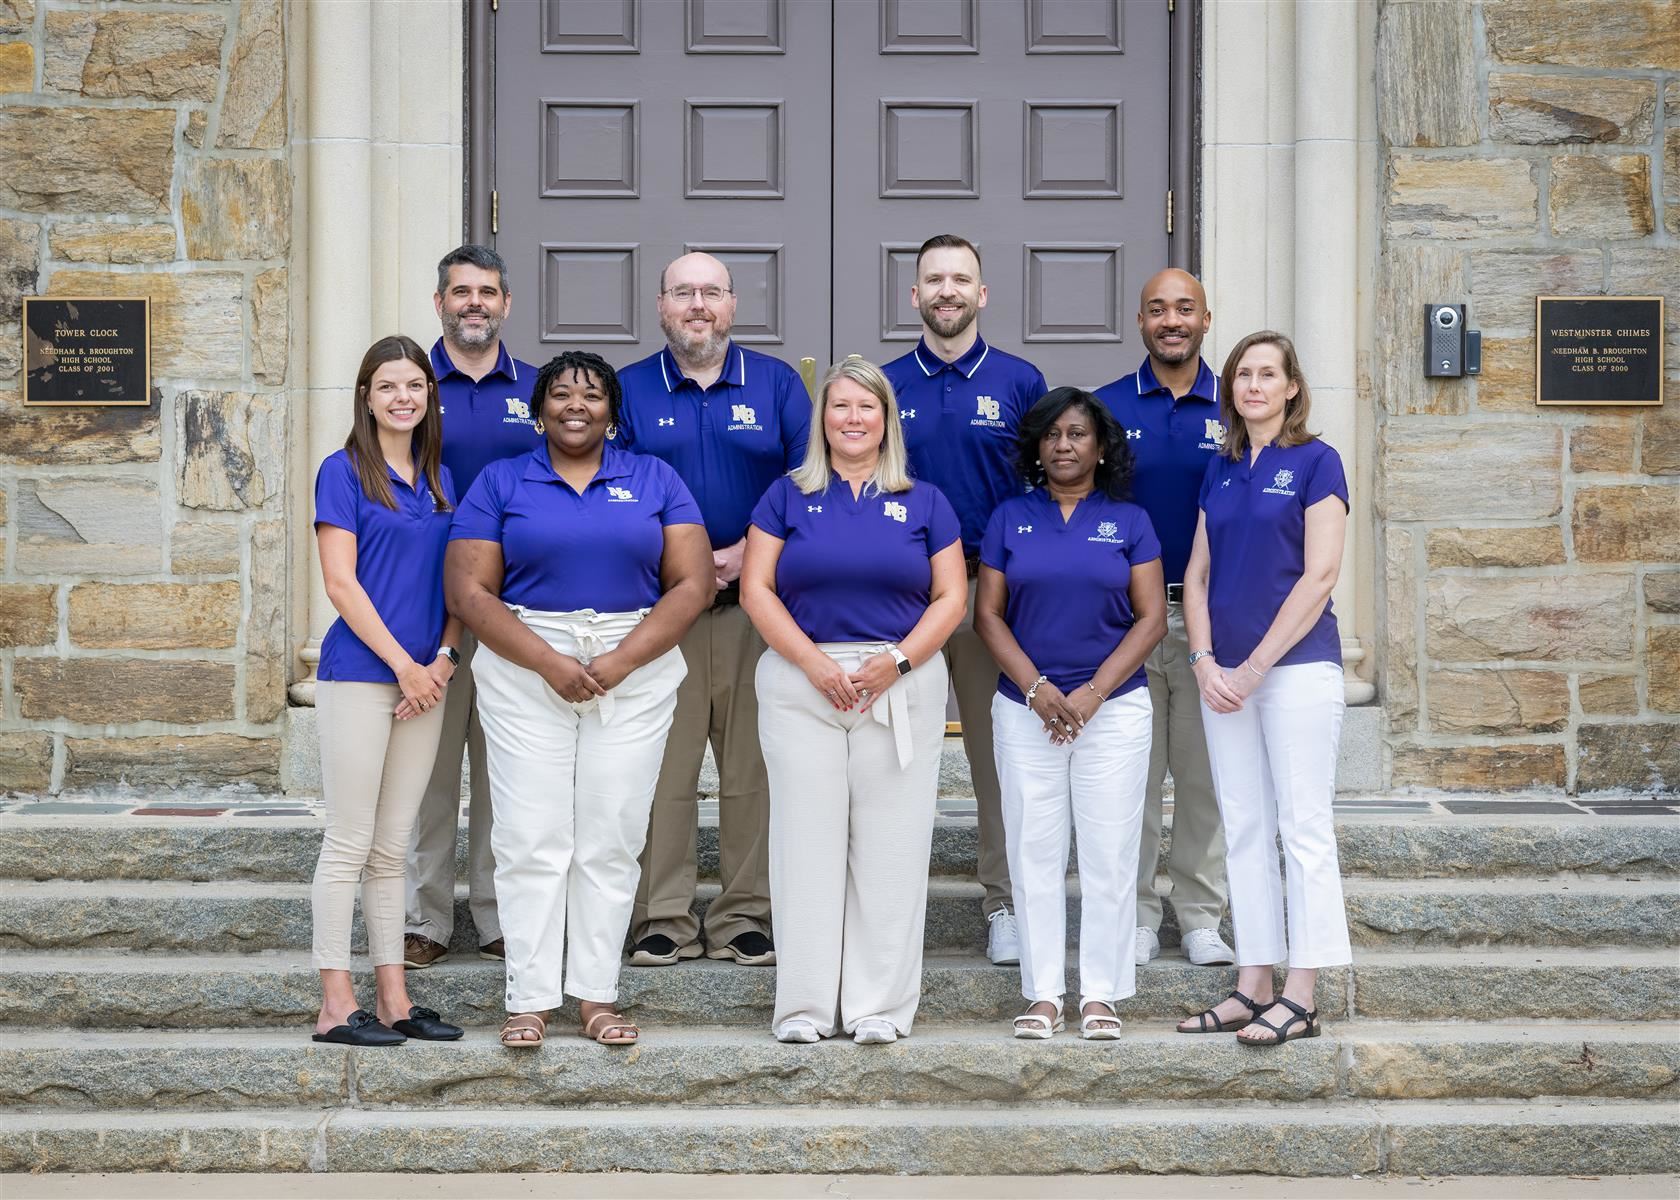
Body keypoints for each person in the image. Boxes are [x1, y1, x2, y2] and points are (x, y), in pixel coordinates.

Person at [445, 351, 714, 1047]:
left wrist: (621, 660)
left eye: (592, 395)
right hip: (525, 662)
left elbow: (692, 583)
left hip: (635, 663)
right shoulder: (503, 480)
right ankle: (529, 999)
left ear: (612, 413)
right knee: (532, 836)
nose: (576, 405)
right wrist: (549, 662)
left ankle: (596, 996)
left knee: (612, 836)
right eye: (560, 394)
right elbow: (469, 591)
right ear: (538, 412)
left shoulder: (655, 478)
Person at [741, 358, 966, 1045]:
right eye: (839, 407)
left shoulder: (925, 500)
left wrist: (896, 661)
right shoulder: (786, 496)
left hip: (898, 679)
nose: (853, 419)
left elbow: (952, 596)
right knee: (804, 844)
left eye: (866, 408)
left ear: (887, 419)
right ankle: (805, 1008)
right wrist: (811, 662)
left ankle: (878, 1007)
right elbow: (757, 590)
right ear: (823, 419)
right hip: (802, 678)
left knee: (891, 847)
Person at [618, 251, 811, 969]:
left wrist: (739, 558)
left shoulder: (778, 385)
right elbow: (618, 488)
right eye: (682, 293)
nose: (697, 305)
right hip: (660, 614)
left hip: (755, 612)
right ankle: (663, 913)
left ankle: (742, 914)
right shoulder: (629, 390)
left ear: (733, 304)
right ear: (661, 305)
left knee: (751, 767)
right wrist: (690, 568)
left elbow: (806, 486)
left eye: (711, 293)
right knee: (663, 770)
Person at [975, 388, 1166, 1040]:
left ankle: (1103, 994)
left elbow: (1152, 619)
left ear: (1101, 446)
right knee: (1034, 850)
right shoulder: (1008, 519)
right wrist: (1036, 689)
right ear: (1035, 446)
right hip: (1026, 710)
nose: (1064, 445)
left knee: (1110, 852)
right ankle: (1045, 994)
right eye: (1052, 435)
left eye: (1078, 434)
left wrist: (1092, 694)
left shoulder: (1131, 521)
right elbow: (987, 617)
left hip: (1112, 712)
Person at [1178, 330, 1352, 1047]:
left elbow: (1320, 577)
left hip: (1298, 672)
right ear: (1231, 390)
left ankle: (1302, 993)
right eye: (1243, 374)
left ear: (1291, 388)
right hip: (1224, 680)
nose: (1253, 384)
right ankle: (1253, 983)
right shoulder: (1220, 470)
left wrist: (1253, 668)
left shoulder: (1317, 462)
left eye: (1267, 374)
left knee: (1301, 828)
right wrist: (1204, 660)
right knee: (1243, 827)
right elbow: (1196, 576)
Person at [882, 234, 1047, 967]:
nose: (947, 291)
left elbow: (1047, 489)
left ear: (982, 295)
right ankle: (885, 906)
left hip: (988, 592)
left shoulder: (1019, 382)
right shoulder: (884, 385)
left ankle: (1004, 901)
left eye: (962, 280)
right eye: (933, 280)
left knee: (997, 757)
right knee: (892, 758)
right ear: (913, 297)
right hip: (903, 593)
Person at [310, 335, 466, 1047]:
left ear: (429, 396)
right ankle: (337, 1005)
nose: (403, 397)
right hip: (361, 678)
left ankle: (395, 997)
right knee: (350, 839)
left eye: (415, 386)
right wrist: (404, 666)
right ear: (366, 398)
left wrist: (440, 661)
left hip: (426, 681)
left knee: (393, 844)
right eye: (387, 387)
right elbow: (341, 583)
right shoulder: (342, 473)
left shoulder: (440, 479)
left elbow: (462, 585)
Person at [1094, 269, 1236, 970]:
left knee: (1204, 778)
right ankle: (1140, 914)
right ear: (1140, 321)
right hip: (1124, 622)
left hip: (1211, 624)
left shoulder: (1237, 408)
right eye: (1157, 309)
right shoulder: (1107, 408)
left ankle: (1203, 914)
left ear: (1207, 320)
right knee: (1132, 781)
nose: (1171, 320)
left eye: (1185, 309)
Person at [403, 244, 540, 971]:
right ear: (440, 304)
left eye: (487, 291)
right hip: (429, 609)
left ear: (506, 304)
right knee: (429, 769)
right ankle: (424, 915)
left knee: (505, 771)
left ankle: (495, 913)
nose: (475, 303)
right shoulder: (410, 385)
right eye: (461, 292)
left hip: (521, 610)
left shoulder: (542, 389)